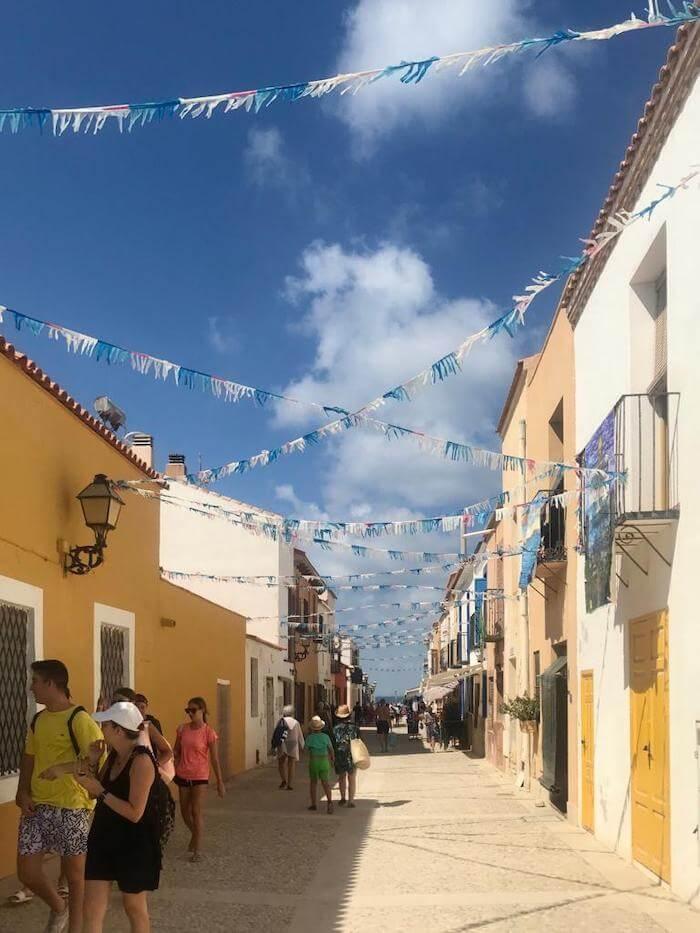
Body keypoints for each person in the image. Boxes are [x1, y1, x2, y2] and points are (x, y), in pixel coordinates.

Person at [15, 659, 104, 933]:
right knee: (27, 872)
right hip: (37, 804)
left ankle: (75, 928)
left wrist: (64, 769)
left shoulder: (80, 719)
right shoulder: (38, 719)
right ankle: (58, 907)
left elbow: (98, 760)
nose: (31, 687)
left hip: (72, 805)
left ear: (51, 684)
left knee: (75, 877)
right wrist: (22, 790)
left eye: (35, 681)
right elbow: (29, 756)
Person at [75, 701, 160, 933]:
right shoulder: (113, 756)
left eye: (105, 724)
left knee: (134, 907)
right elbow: (94, 794)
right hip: (103, 836)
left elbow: (135, 813)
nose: (101, 728)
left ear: (119, 730)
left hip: (133, 843)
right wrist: (93, 763)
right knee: (91, 909)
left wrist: (100, 790)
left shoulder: (142, 761)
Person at [173, 696, 225, 862]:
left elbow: (215, 759)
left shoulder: (209, 733)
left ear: (203, 711)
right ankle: (195, 835)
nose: (190, 713)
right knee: (184, 812)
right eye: (188, 710)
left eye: (193, 710)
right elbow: (176, 750)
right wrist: (173, 758)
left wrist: (220, 782)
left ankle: (198, 850)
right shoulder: (182, 729)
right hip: (183, 773)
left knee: (196, 811)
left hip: (200, 775)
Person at [114, 688, 174, 782]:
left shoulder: (148, 726)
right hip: (124, 776)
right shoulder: (116, 726)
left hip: (145, 778)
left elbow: (167, 752)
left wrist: (153, 766)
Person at [305, 716, 335, 814]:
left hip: (314, 761)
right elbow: (331, 749)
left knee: (313, 783)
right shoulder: (325, 737)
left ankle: (314, 804)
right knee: (325, 783)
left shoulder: (310, 738)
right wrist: (332, 759)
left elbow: (305, 750)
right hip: (324, 761)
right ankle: (329, 802)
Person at [332, 704, 360, 808]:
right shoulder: (355, 728)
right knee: (352, 778)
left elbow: (333, 743)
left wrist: (332, 756)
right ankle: (351, 801)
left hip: (340, 755)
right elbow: (359, 741)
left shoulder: (335, 729)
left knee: (341, 777)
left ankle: (343, 798)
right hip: (352, 754)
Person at [276, 705, 304, 792]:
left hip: (283, 744)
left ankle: (283, 780)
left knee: (281, 763)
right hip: (292, 743)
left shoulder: (281, 721)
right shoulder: (296, 722)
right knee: (291, 764)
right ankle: (289, 784)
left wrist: (275, 744)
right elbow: (300, 735)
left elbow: (277, 734)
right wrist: (303, 745)